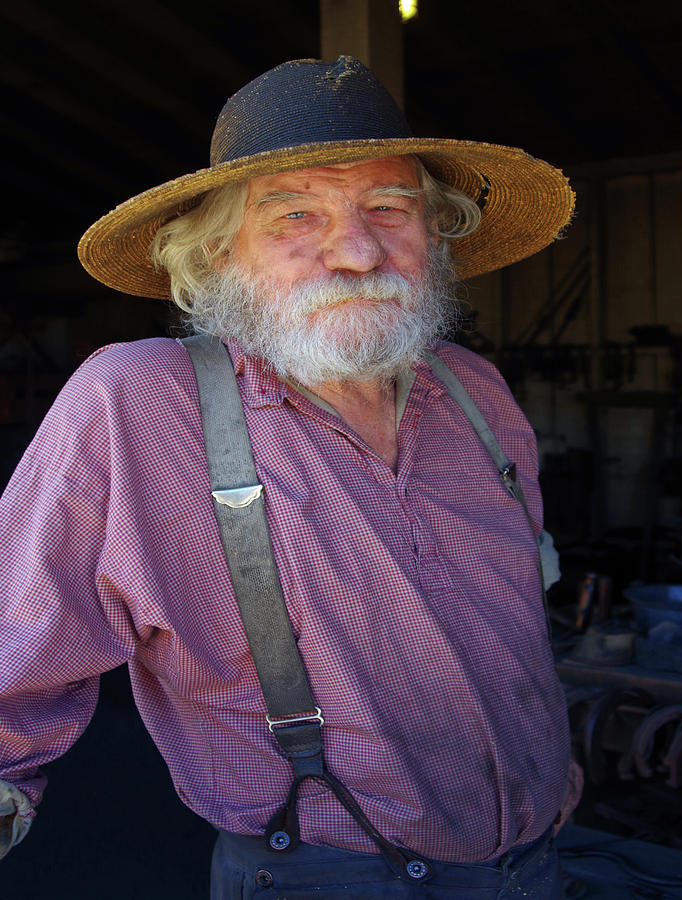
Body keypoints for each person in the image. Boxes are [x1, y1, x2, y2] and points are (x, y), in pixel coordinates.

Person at [0, 56, 575, 897]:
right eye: (295, 214)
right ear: (218, 255)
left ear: (436, 234)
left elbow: (518, 615)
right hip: (327, 875)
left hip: (540, 857)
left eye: (390, 207)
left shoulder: (474, 391)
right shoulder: (140, 402)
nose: (355, 250)